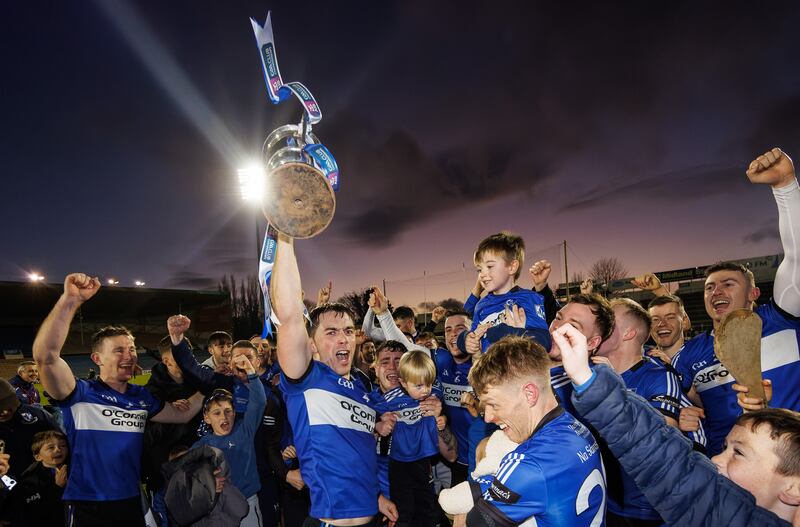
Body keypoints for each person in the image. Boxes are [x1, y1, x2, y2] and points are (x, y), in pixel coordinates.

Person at [553, 321, 800, 526]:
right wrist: (586, 378)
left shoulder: (658, 375)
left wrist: (590, 382)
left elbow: (662, 454)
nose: (716, 459)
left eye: (739, 452)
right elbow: (660, 454)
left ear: (795, 488)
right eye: (725, 448)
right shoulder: (718, 513)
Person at [32, 273, 204, 527]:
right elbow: (46, 357)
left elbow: (183, 414)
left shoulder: (141, 397)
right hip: (88, 505)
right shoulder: (79, 394)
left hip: (131, 500)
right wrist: (70, 301)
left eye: (132, 349)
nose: (129, 355)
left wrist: (215, 382)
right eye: (119, 350)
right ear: (97, 359)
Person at [672, 148, 800, 456]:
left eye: (728, 284)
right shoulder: (689, 355)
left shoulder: (783, 317)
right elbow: (683, 402)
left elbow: (797, 258)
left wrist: (785, 186)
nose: (716, 292)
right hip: (728, 474)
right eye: (709, 288)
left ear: (754, 293)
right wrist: (682, 415)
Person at [271, 234, 398, 526]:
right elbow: (289, 315)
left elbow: (357, 453)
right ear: (311, 345)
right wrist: (286, 236)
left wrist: (376, 497)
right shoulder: (306, 379)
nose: (344, 338)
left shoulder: (360, 386)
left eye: (349, 331)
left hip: (370, 516)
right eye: (331, 332)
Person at [456, 335, 606, 527]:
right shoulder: (576, 426)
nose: (488, 417)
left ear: (529, 394)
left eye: (493, 404)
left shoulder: (529, 462)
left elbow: (474, 523)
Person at [594, 298, 683, 526]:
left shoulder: (659, 376)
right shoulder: (589, 373)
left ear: (628, 333)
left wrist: (614, 388)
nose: (599, 324)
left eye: (608, 321)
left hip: (646, 511)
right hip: (603, 503)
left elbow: (661, 440)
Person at [187, 351, 266, 527]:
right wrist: (207, 483)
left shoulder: (244, 430)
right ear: (207, 418)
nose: (224, 417)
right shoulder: (201, 446)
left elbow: (259, 402)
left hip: (248, 502)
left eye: (228, 411)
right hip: (217, 507)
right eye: (217, 413)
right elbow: (187, 479)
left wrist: (251, 373)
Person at [376, 350, 452, 527]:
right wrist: (379, 424)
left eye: (429, 383)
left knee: (426, 505)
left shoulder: (434, 396)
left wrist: (442, 420)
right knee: (403, 510)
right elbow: (371, 410)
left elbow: (444, 417)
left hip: (424, 459)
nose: (425, 390)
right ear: (403, 382)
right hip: (400, 462)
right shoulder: (391, 398)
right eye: (418, 386)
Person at [458, 232, 551, 355]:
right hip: (489, 372)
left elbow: (544, 342)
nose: (482, 274)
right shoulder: (481, 305)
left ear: (512, 267)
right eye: (479, 269)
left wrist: (506, 333)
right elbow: (473, 336)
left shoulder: (529, 298)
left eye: (490, 266)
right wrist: (465, 340)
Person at [435, 310, 479, 486]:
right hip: (458, 460)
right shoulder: (441, 360)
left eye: (460, 329)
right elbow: (408, 349)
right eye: (448, 330)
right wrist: (383, 314)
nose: (453, 334)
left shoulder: (486, 362)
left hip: (488, 458)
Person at [3, 430, 69, 526]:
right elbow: (34, 508)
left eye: (63, 446)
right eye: (51, 447)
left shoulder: (73, 469)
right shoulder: (29, 480)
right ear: (38, 457)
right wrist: (57, 487)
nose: (58, 450)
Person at [0, 377, 59, 482]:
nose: (4, 412)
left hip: (44, 480)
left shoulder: (38, 416)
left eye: (8, 407)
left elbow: (62, 442)